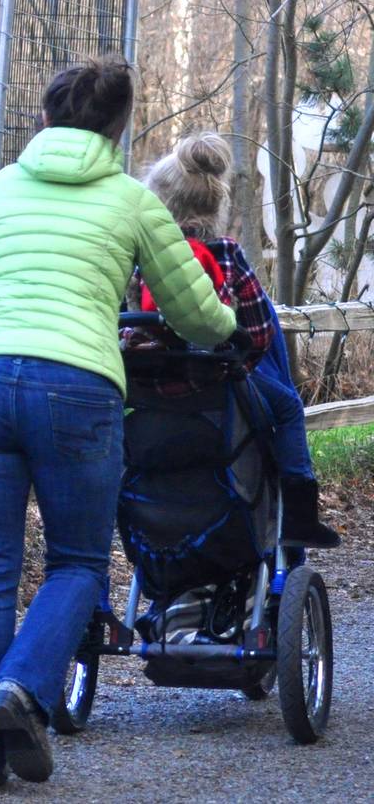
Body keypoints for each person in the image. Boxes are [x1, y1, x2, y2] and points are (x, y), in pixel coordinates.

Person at [0, 56, 236, 791]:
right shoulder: (131, 201)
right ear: (118, 127)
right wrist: (226, 326)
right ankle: (20, 686)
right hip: (75, 386)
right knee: (76, 562)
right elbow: (194, 311)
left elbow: (4, 281)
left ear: (44, 118)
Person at [126, 131, 339, 549]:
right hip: (216, 379)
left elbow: (133, 319)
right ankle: (299, 509)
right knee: (288, 406)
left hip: (151, 386)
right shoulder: (225, 253)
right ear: (215, 204)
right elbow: (259, 332)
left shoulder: (143, 255)